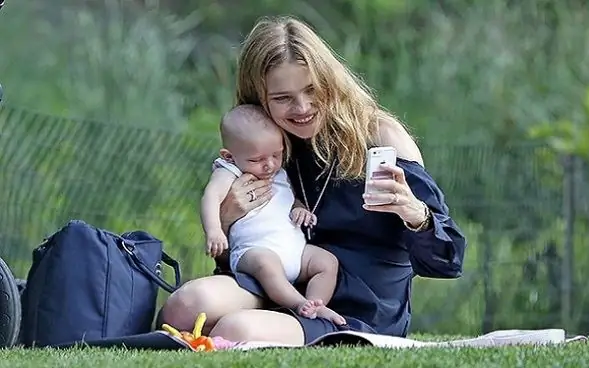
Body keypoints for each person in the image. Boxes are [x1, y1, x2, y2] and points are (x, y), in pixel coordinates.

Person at [160, 15, 467, 345]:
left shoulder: (380, 135)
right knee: (185, 306)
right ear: (259, 99)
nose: (302, 107)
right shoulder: (267, 147)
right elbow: (238, 251)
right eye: (282, 98)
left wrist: (415, 214)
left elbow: (448, 261)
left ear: (330, 81)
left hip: (357, 306)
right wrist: (228, 219)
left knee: (235, 330)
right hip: (280, 282)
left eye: (312, 90)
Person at [199, 104, 345, 324]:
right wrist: (214, 230)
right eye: (256, 160)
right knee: (267, 266)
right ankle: (298, 305)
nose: (269, 165)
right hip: (254, 251)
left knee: (327, 262)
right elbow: (210, 197)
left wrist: (299, 209)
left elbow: (287, 197)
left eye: (276, 155)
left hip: (295, 251)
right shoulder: (229, 171)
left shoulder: (279, 171)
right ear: (229, 156)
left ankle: (317, 304)